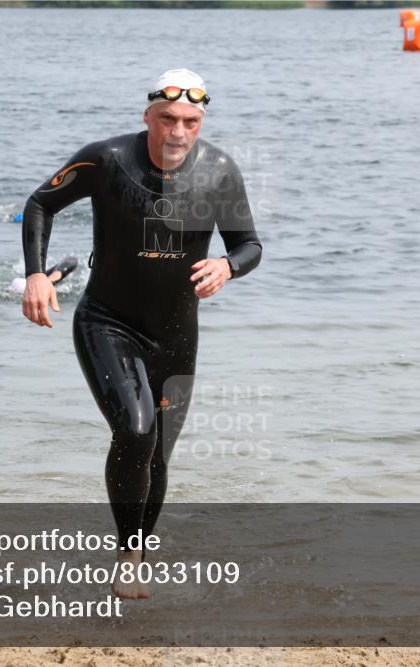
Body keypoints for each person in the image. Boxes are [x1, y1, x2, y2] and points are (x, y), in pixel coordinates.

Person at [20, 68, 262, 599]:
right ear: (147, 117)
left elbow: (249, 244)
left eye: (191, 121)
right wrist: (37, 273)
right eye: (168, 119)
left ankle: (136, 549)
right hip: (108, 321)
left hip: (177, 334)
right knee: (134, 429)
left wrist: (228, 266)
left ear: (201, 122)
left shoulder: (220, 171)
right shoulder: (106, 160)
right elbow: (41, 203)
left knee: (156, 454)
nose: (178, 131)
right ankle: (129, 556)